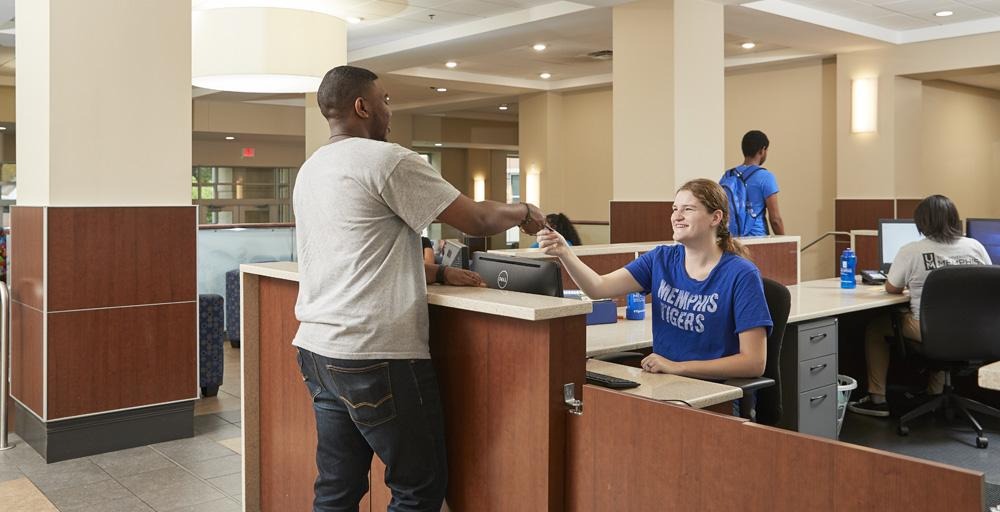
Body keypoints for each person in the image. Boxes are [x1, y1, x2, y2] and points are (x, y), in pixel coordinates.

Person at [292, 65, 547, 511]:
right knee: (418, 489)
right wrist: (523, 210)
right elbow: (479, 221)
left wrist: (441, 274)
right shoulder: (387, 159)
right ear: (361, 106)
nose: (390, 111)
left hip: (318, 349)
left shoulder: (312, 169)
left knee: (337, 488)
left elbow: (357, 254)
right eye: (385, 100)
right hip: (376, 351)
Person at [537, 179, 772, 380]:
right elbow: (598, 288)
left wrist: (678, 368)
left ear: (715, 218)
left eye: (688, 209)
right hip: (664, 385)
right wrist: (564, 253)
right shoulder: (660, 259)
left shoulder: (741, 275)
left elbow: (753, 362)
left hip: (715, 393)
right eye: (674, 208)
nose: (676, 216)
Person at [848, 195, 991, 417]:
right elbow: (987, 285)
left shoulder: (912, 250)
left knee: (876, 328)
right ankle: (934, 393)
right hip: (975, 333)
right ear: (954, 219)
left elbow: (891, 288)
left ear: (922, 222)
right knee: (942, 323)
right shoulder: (975, 247)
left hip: (931, 332)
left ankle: (877, 399)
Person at [720, 130, 784, 236]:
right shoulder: (766, 177)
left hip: (732, 240)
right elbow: (775, 220)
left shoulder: (727, 176)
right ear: (762, 150)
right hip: (757, 238)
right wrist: (785, 244)